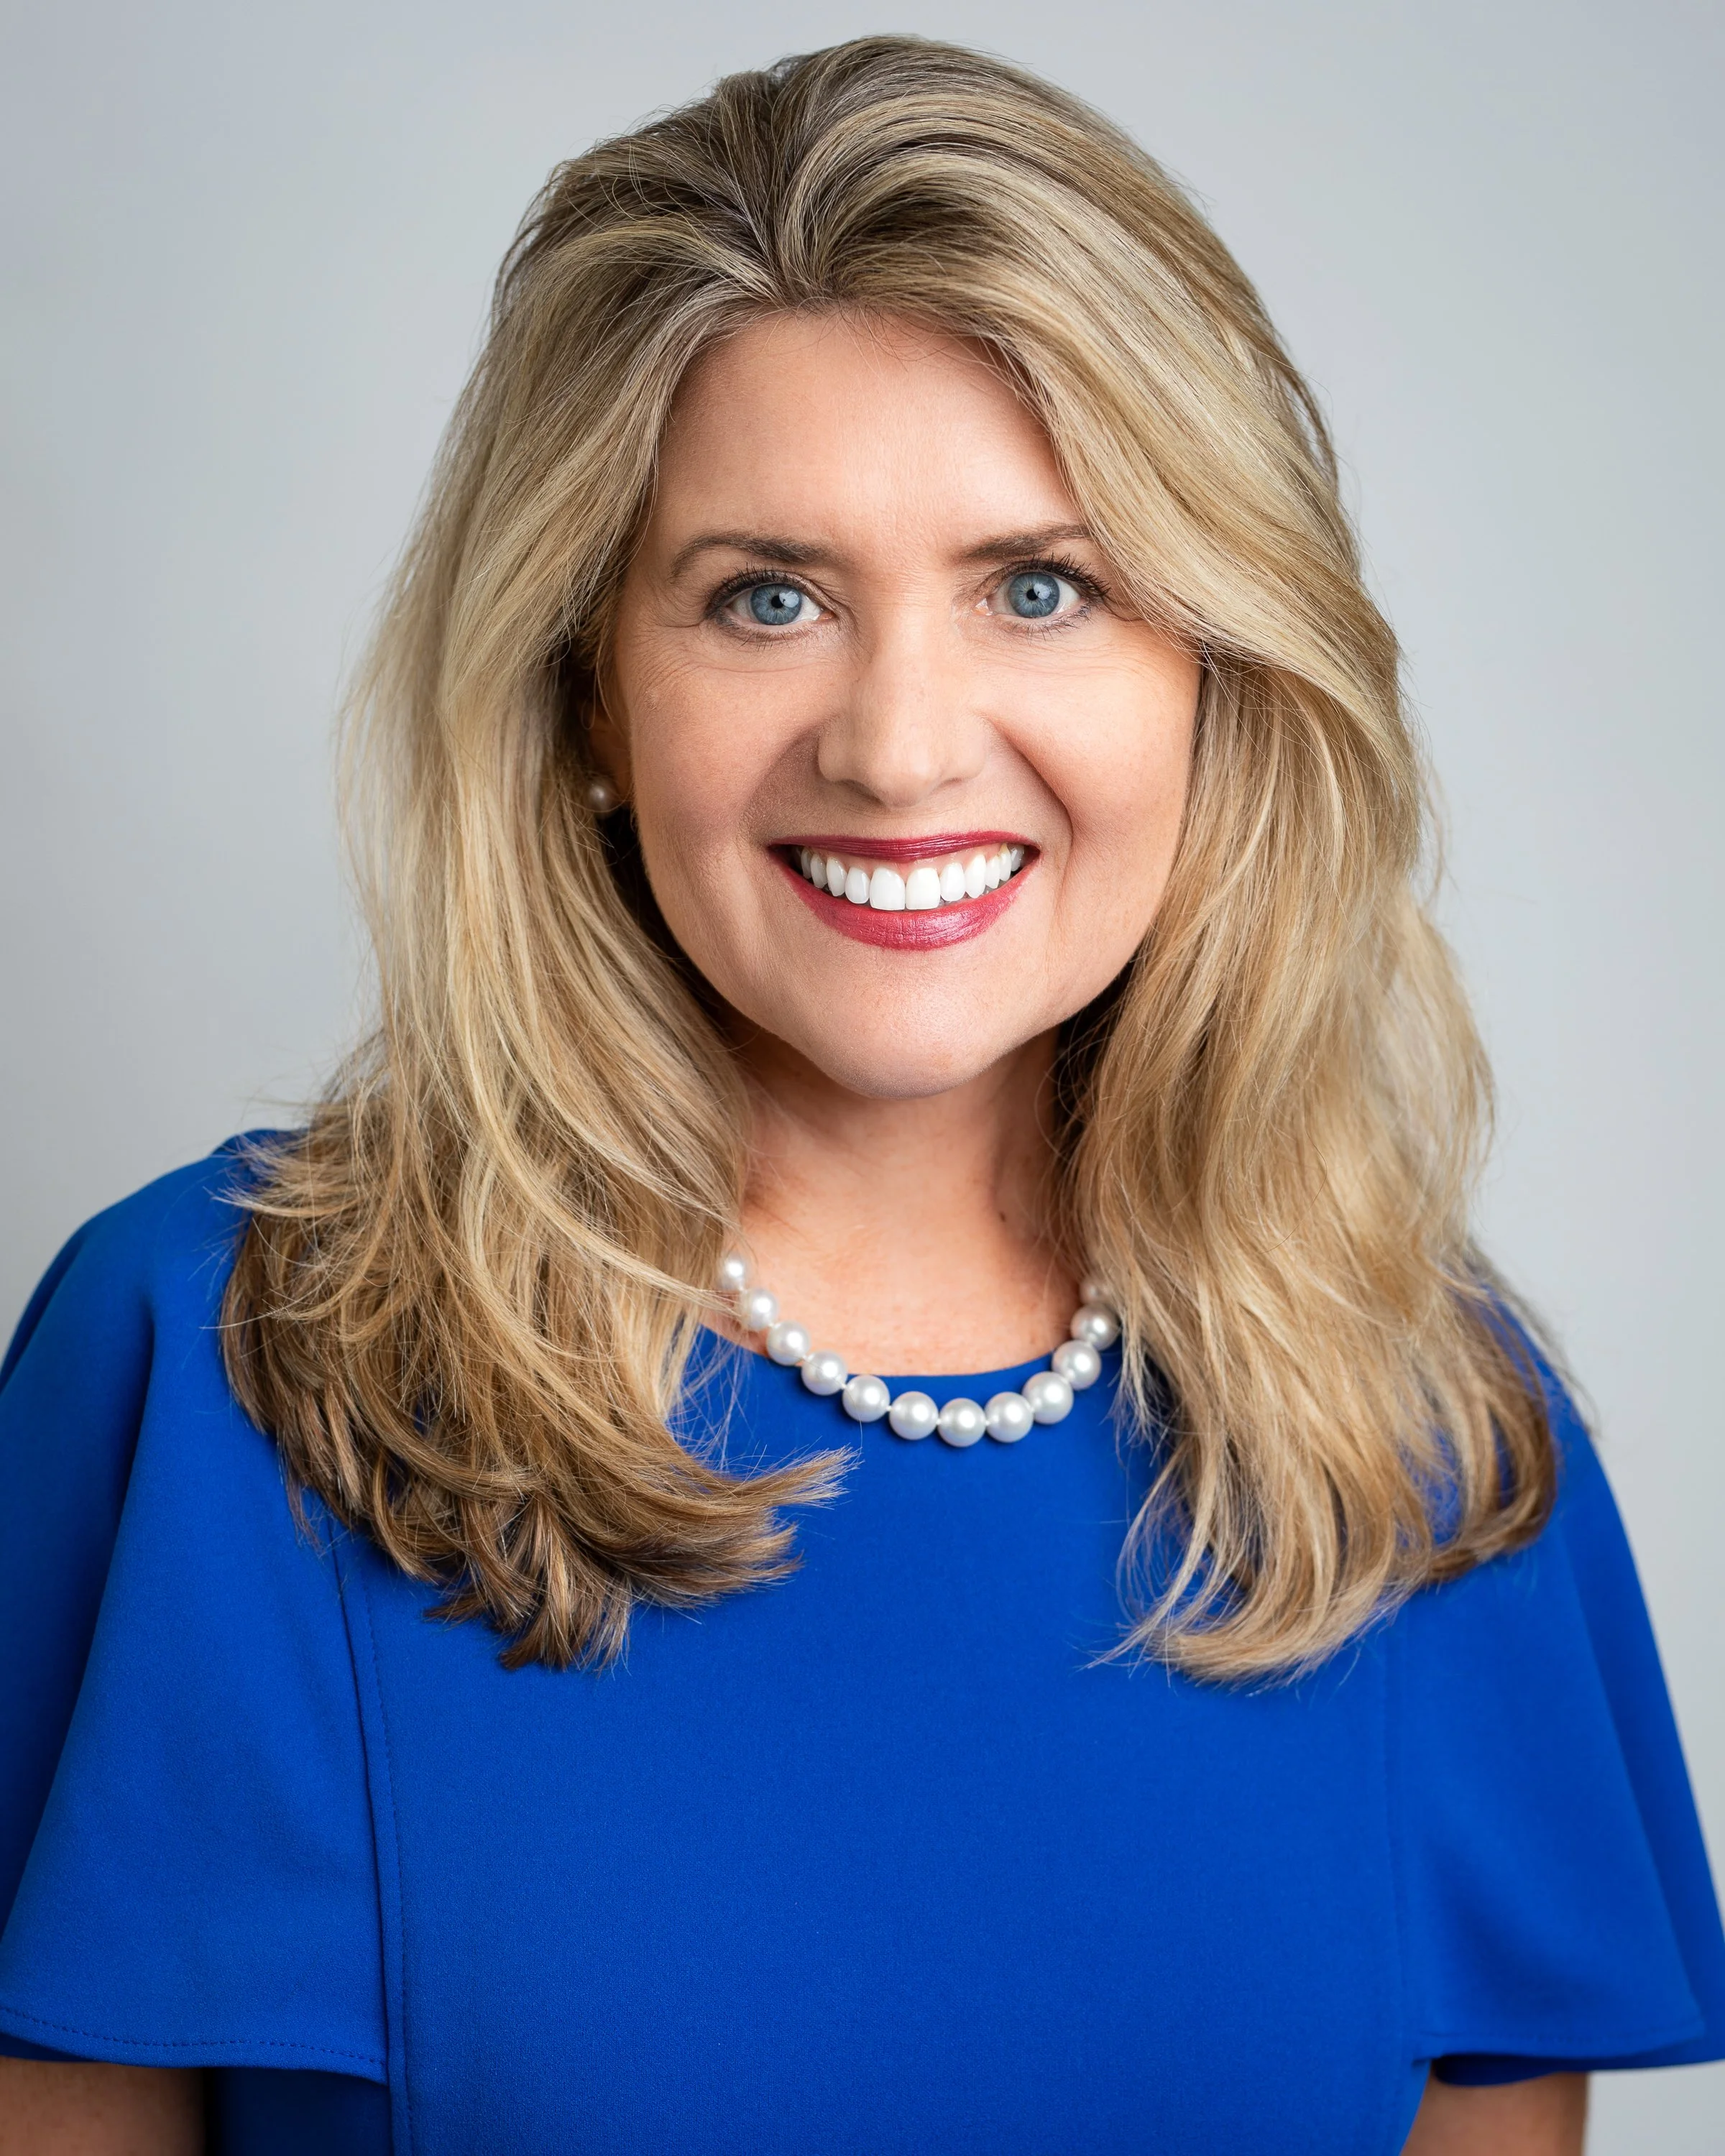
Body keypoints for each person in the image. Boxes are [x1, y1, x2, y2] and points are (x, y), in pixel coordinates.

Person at [1, 36, 1719, 2156]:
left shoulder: (1429, 1437)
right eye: (767, 598)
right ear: (592, 701)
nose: (902, 747)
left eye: (1042, 585)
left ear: (1215, 672)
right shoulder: (218, 1364)